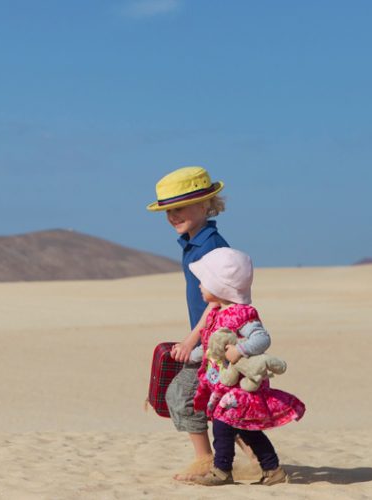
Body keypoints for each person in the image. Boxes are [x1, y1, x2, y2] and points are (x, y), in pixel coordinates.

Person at [186, 247, 306, 486]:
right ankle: (272, 470)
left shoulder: (242, 315)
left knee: (223, 426)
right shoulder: (217, 314)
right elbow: (213, 347)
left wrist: (240, 350)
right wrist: (193, 355)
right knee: (246, 429)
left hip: (240, 388)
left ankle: (222, 471)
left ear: (221, 286)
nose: (200, 286)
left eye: (204, 282)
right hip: (222, 385)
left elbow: (262, 339)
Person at [146, 166, 228, 481]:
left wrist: (193, 340)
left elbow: (218, 301)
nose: (172, 216)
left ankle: (206, 460)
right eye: (167, 210)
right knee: (222, 404)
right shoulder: (193, 242)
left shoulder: (210, 246)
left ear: (206, 204)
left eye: (178, 208)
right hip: (209, 339)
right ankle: (260, 462)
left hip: (220, 340)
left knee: (183, 395)